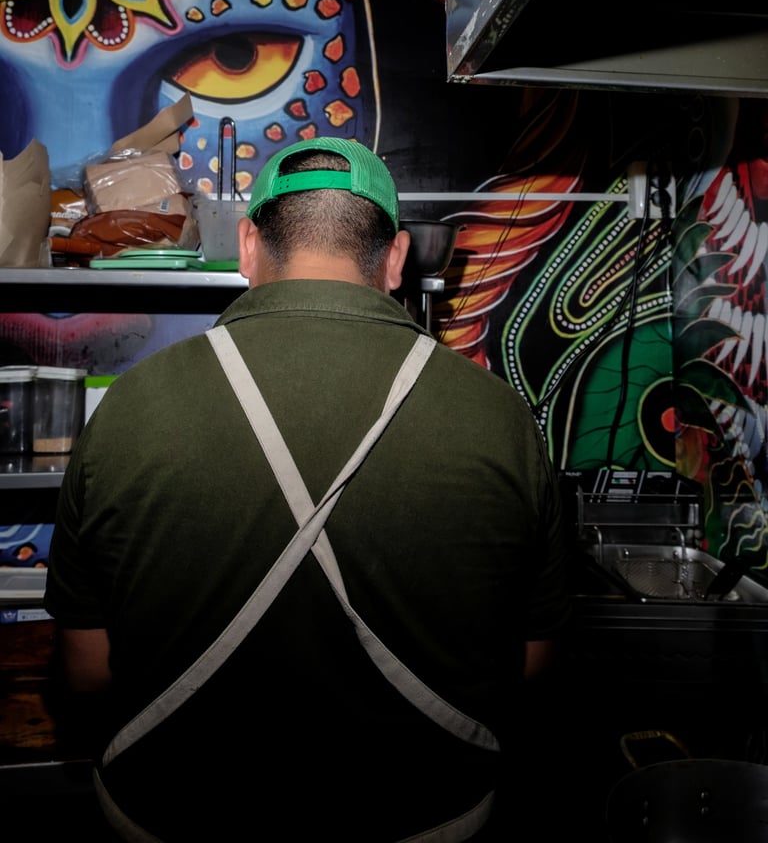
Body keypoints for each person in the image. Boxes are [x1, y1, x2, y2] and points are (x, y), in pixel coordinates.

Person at [44, 136, 571, 842]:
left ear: (248, 246)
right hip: (427, 815)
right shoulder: (497, 416)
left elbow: (86, 674)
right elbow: (531, 665)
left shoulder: (130, 405)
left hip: (170, 811)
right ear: (397, 258)